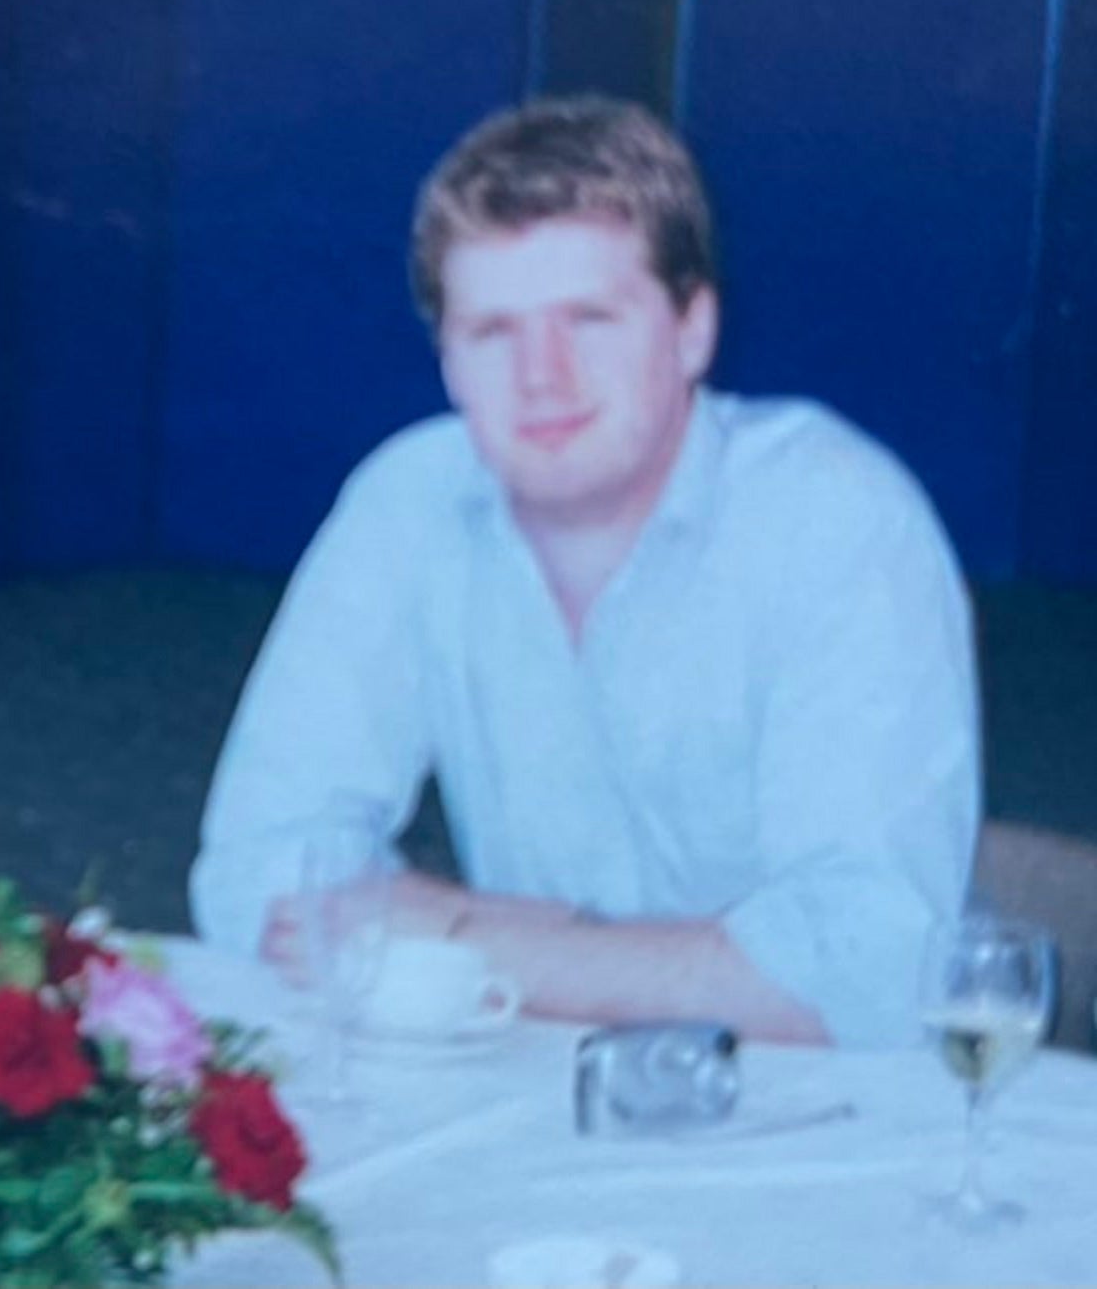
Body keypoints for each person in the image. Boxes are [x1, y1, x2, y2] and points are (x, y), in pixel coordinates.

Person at [189, 95, 978, 1046]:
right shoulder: (410, 500)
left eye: (588, 320)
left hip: (818, 1113)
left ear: (692, 330)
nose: (542, 378)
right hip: (531, 1075)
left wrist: (465, 932)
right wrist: (615, 962)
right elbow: (255, 874)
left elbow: (869, 973)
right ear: (445, 360)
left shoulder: (836, 519)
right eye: (492, 333)